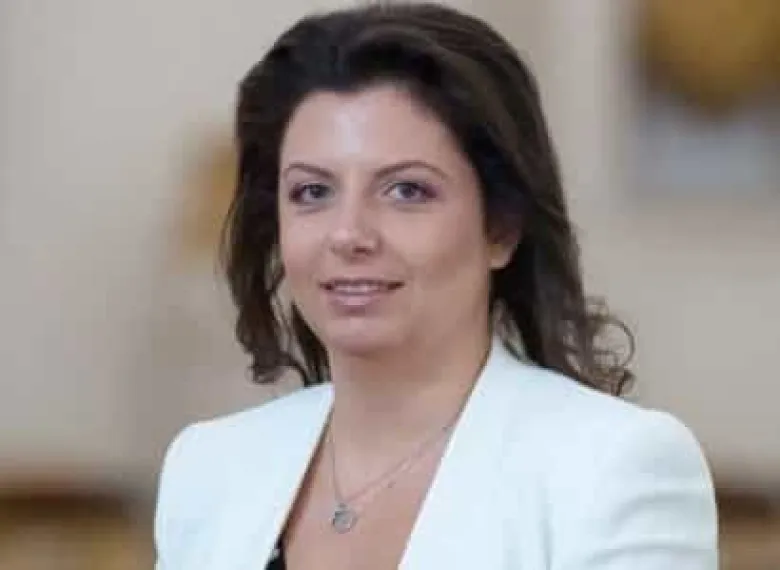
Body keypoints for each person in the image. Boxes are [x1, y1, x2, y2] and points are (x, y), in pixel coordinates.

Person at [153, 3, 718, 569]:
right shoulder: (209, 468)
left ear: (501, 227)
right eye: (312, 192)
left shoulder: (613, 466)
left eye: (407, 191)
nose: (348, 234)